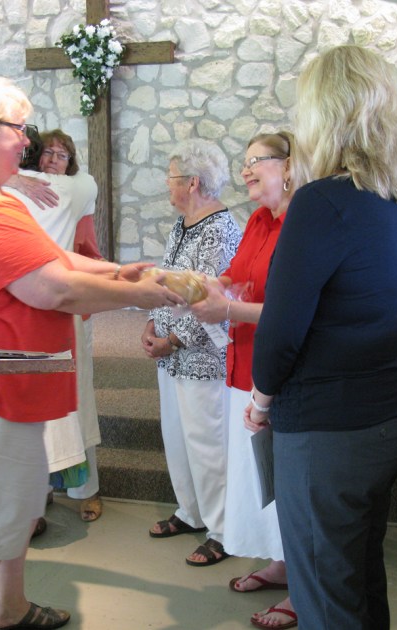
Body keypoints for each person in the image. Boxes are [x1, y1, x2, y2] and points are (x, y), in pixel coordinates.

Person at [0, 77, 184, 630]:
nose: (27, 140)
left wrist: (117, 270)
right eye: (19, 128)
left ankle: (11, 608)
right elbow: (53, 289)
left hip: (11, 389)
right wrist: (138, 296)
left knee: (16, 508)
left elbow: (57, 258)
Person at [248, 46, 397, 630]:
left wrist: (260, 399)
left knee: (325, 598)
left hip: (330, 431)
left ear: (324, 114)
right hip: (388, 418)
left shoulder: (321, 202)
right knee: (360, 583)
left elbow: (280, 331)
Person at [189, 132, 297, 629]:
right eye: (245, 162)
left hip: (282, 372)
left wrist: (227, 306)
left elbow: (292, 310)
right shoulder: (258, 219)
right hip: (243, 363)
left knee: (287, 481)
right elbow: (236, 275)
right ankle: (279, 563)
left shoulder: (301, 223)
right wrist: (204, 285)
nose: (248, 170)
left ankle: (303, 584)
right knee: (259, 477)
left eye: (259, 161)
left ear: (290, 165)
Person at [142, 139, 242, 567]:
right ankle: (192, 512)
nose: (167, 185)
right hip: (171, 354)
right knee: (178, 437)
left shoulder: (219, 231)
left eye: (171, 178)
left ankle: (222, 530)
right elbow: (170, 285)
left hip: (201, 357)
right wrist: (152, 321)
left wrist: (173, 337)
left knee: (207, 443)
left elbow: (213, 306)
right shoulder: (183, 224)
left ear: (193, 183)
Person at [8, 129, 105, 527]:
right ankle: (40, 489)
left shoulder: (77, 189)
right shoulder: (11, 192)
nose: (52, 159)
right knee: (33, 407)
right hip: (23, 312)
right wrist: (14, 179)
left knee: (76, 402)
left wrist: (91, 295)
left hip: (65, 309)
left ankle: (87, 488)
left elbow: (86, 248)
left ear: (72, 163)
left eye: (62, 155)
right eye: (46, 152)